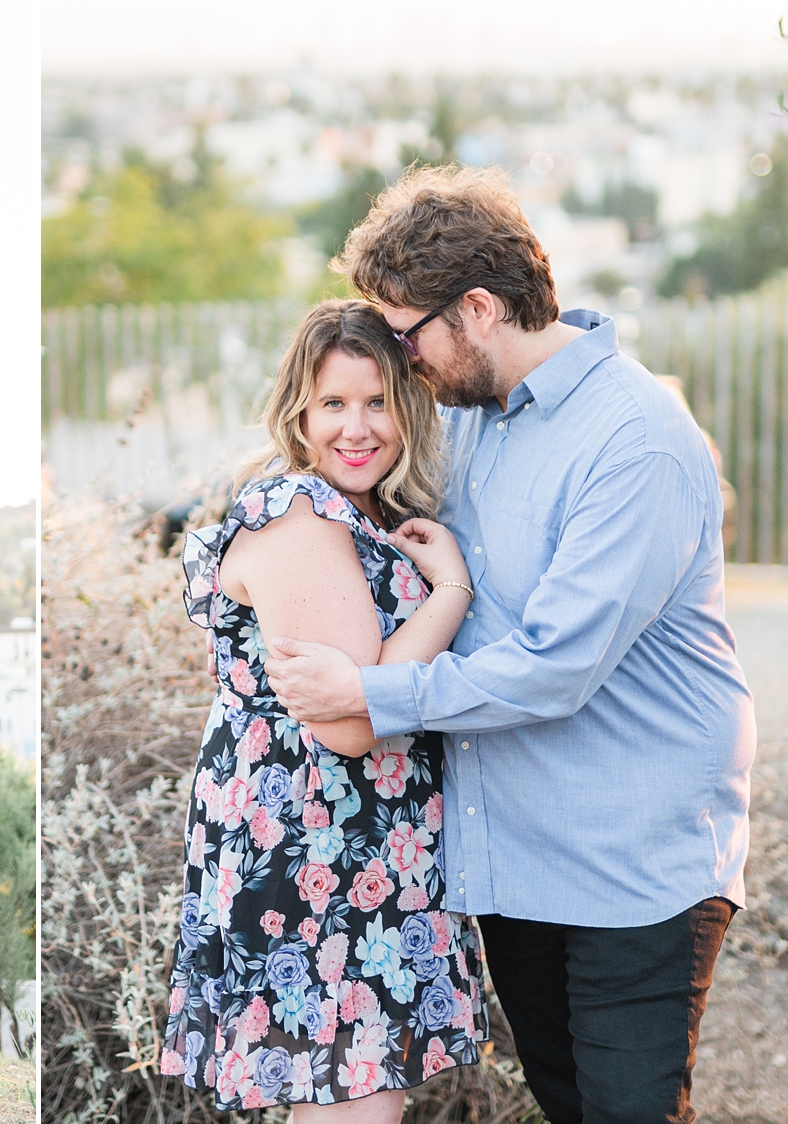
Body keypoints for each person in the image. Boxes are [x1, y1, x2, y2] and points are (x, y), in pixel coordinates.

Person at [264, 165, 754, 1124]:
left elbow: (555, 665)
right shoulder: (463, 418)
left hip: (635, 861)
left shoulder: (637, 440)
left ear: (478, 309)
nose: (402, 361)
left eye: (406, 334)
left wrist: (365, 693)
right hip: (514, 853)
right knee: (566, 1103)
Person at [161, 300, 489, 1118]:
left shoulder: (365, 510)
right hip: (317, 851)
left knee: (356, 1106)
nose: (358, 427)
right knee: (355, 1110)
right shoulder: (299, 514)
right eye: (333, 403)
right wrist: (450, 593)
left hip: (365, 854)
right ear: (298, 413)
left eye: (378, 401)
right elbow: (347, 723)